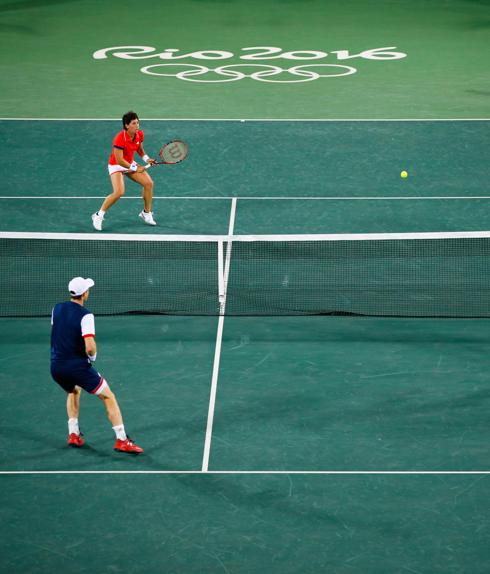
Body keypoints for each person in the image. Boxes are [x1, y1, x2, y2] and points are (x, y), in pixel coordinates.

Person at [50, 276, 143, 454]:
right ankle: (122, 440)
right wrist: (91, 359)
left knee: (73, 390)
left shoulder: (57, 309)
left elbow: (59, 334)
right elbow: (90, 347)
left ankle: (73, 434)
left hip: (56, 367)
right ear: (85, 293)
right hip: (76, 367)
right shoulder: (86, 315)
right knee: (109, 397)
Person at [92, 110, 157, 231]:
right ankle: (98, 215)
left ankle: (146, 213)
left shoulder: (139, 134)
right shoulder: (120, 138)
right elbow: (120, 160)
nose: (137, 125)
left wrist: (147, 159)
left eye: (138, 122)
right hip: (116, 165)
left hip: (129, 163)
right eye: (134, 123)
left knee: (148, 184)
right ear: (127, 125)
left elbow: (139, 149)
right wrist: (136, 168)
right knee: (119, 192)